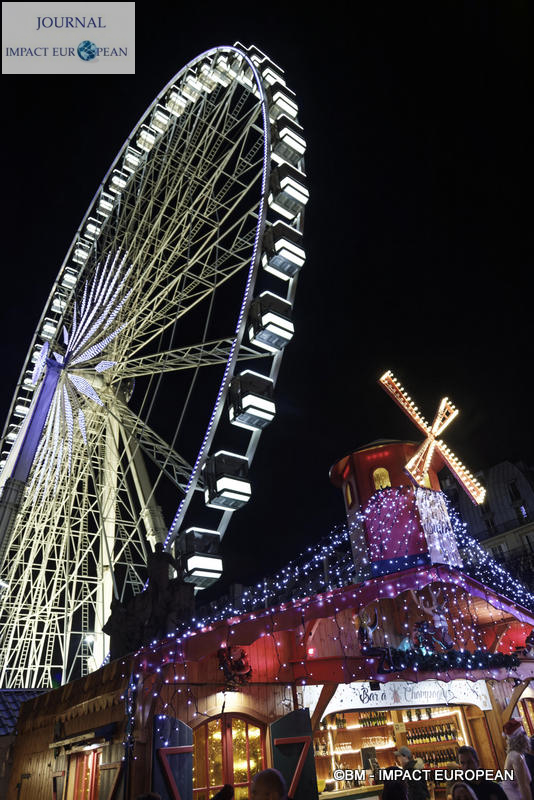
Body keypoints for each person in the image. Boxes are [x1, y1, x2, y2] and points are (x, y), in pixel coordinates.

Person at [500, 719, 532, 800]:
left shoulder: (517, 754)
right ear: (520, 737)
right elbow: (523, 786)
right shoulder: (516, 756)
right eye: (524, 733)